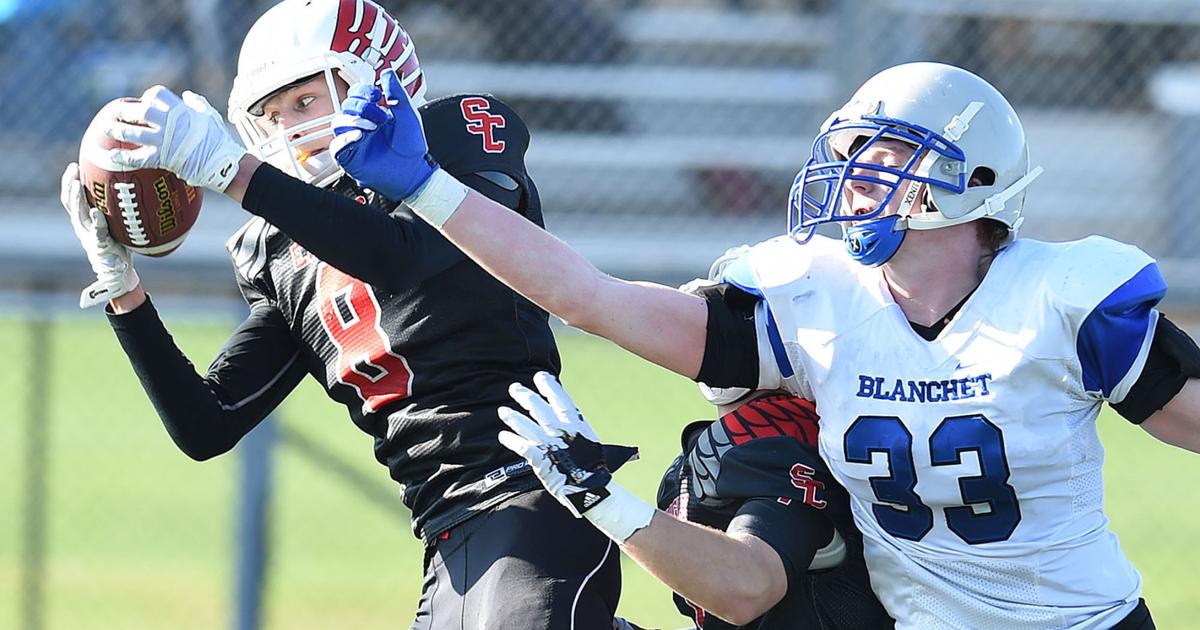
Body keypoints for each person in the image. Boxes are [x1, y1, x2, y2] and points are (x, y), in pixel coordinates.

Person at [329, 61, 1200, 629]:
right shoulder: (817, 302)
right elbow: (589, 299)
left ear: (971, 182)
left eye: (888, 152)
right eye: (851, 152)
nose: (857, 174)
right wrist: (430, 188)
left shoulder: (1062, 300)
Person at [61, 1, 631, 627]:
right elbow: (206, 425)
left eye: (305, 102)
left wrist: (235, 173)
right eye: (272, 114)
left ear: (378, 74)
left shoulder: (455, 140)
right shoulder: (280, 253)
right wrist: (123, 290)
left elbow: (399, 256)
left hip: (534, 494)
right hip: (446, 543)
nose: (288, 129)